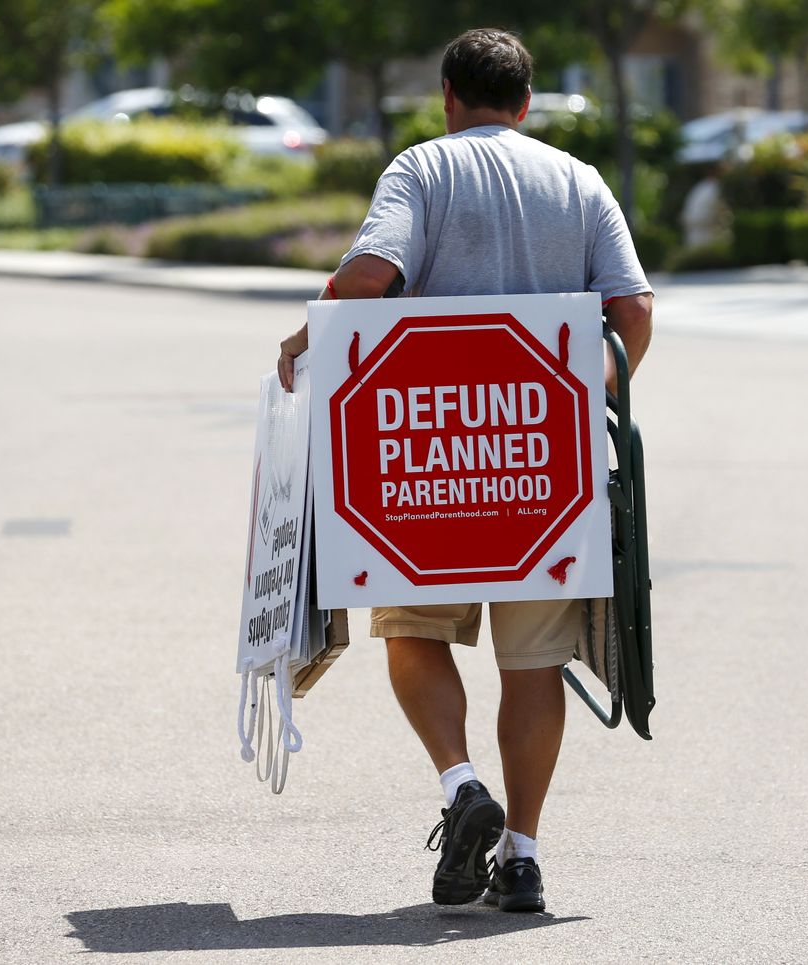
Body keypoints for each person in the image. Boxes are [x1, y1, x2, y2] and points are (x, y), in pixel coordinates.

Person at [277, 27, 653, 914]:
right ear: (525, 104)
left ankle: (459, 785)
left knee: (413, 632)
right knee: (535, 664)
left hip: (422, 467)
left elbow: (370, 275)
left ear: (449, 96)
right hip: (542, 468)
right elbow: (631, 312)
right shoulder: (579, 180)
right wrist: (566, 393)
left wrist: (312, 332)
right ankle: (522, 855)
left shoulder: (421, 170)